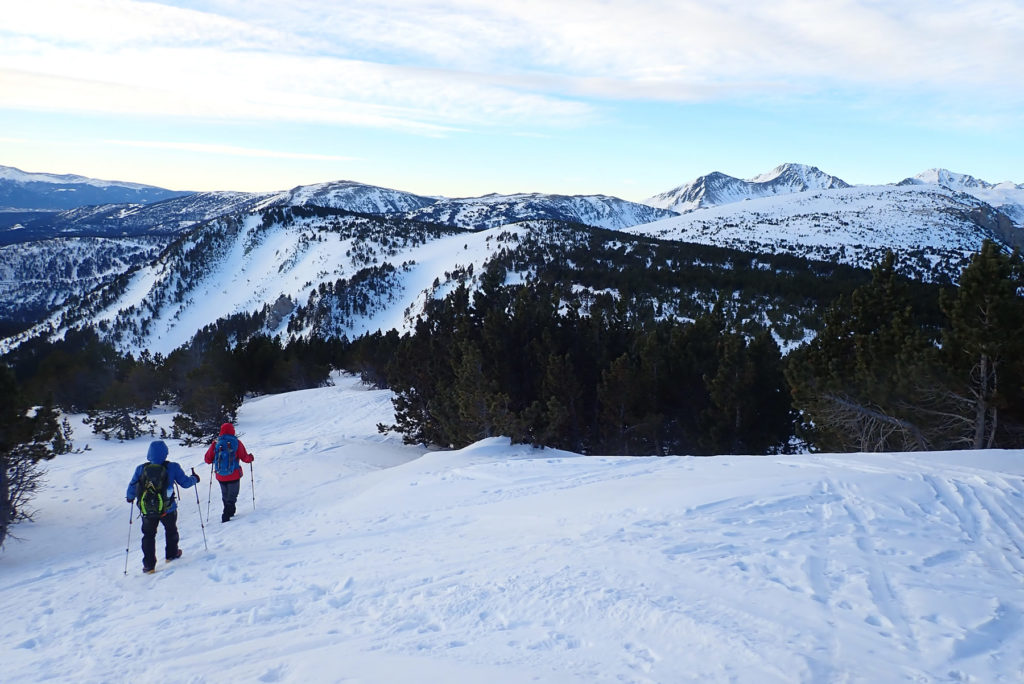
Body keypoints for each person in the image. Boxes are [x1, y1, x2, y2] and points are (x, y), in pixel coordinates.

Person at [126, 440, 200, 573]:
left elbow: (132, 486)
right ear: (165, 453)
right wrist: (195, 479)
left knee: (148, 535)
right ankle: (171, 554)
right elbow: (185, 483)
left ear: (149, 453)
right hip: (168, 508)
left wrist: (130, 497)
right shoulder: (173, 467)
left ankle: (149, 565)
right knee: (171, 530)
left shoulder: (141, 469)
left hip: (147, 510)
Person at [204, 422, 253, 523]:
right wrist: (251, 458)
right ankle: (227, 514)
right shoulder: (236, 442)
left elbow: (207, 459)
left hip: (220, 475)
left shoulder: (216, 443)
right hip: (234, 474)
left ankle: (230, 512)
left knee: (225, 495)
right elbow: (244, 457)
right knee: (232, 496)